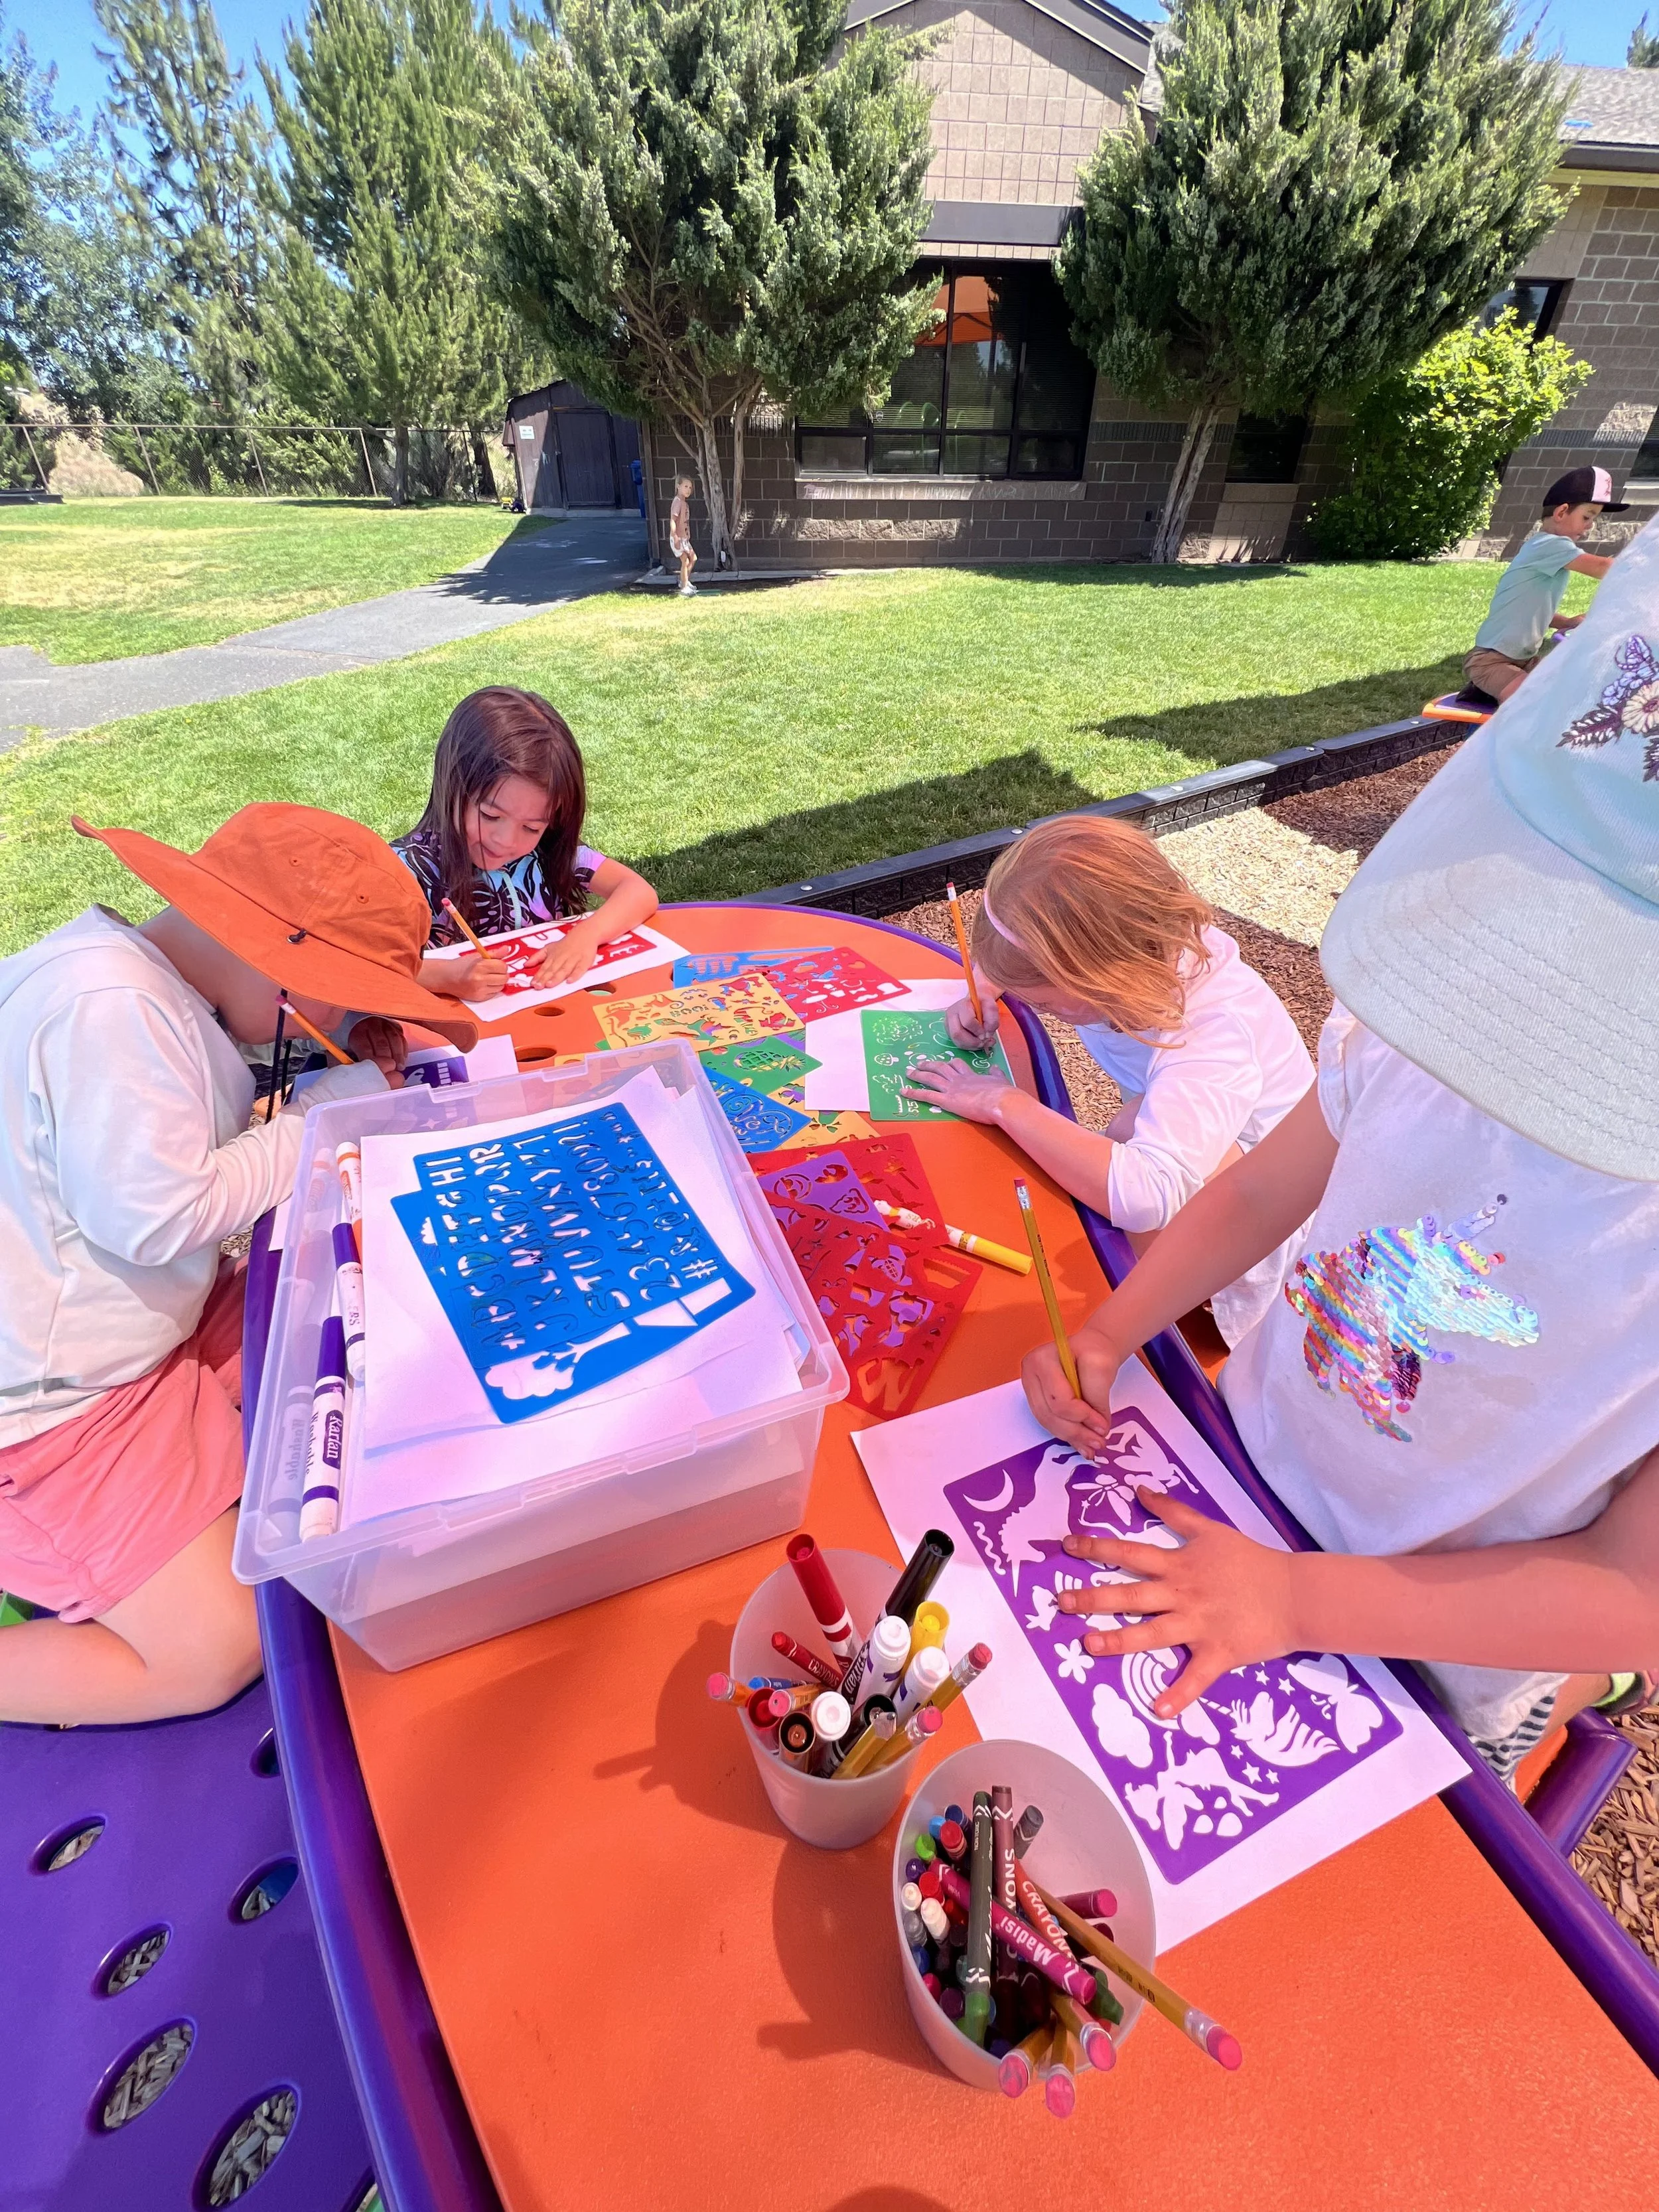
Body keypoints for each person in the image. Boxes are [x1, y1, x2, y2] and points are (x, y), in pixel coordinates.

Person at [1021, 517, 1659, 1783]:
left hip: (1419, 1656)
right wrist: (1110, 1330)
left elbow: (1632, 1591)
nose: (1533, 1008)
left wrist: (1303, 1605)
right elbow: (1262, 1185)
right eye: (1541, 913)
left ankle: (1578, 1709)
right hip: (1239, 1472)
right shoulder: (1426, 1021)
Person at [0, 803, 479, 1727]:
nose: (332, 1024)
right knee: (218, 1647)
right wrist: (312, 1121)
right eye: (333, 1004)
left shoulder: (139, 983)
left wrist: (317, 1088)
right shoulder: (116, 1012)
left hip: (133, 1325)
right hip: (51, 1411)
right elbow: (156, 1214)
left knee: (366, 1328)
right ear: (282, 964)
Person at [901, 816, 1313, 1345]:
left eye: (1044, 1001)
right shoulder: (1137, 944)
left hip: (1262, 1215)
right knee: (1111, 1143)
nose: (1029, 1005)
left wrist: (1004, 1102)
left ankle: (1180, 1327)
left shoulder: (1214, 1036)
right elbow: (1031, 943)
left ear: (1101, 976)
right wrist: (984, 987)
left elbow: (1148, 1195)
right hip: (1194, 1147)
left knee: (1091, 1229)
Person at [392, 687, 658, 999]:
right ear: (453, 785)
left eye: (532, 827)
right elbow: (361, 967)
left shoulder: (549, 853)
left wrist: (585, 936)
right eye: (491, 816)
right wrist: (443, 977)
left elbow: (638, 891)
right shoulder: (403, 870)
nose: (506, 841)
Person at [1463, 465, 1627, 705]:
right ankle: (1500, 729)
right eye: (1587, 517)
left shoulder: (1547, 553)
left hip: (1521, 661)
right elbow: (1603, 567)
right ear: (1561, 512)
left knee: (1566, 689)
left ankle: (1487, 694)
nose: (1591, 525)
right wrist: (1644, 569)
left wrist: (1568, 623)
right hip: (1491, 661)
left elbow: (1534, 611)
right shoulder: (1550, 546)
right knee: (1529, 705)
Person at [670, 474, 698, 596]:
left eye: (690, 488)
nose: (688, 490)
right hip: (678, 538)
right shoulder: (677, 502)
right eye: (685, 486)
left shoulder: (685, 503)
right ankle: (684, 587)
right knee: (685, 561)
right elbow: (673, 520)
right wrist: (675, 536)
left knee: (694, 558)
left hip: (685, 538)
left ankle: (684, 580)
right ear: (678, 487)